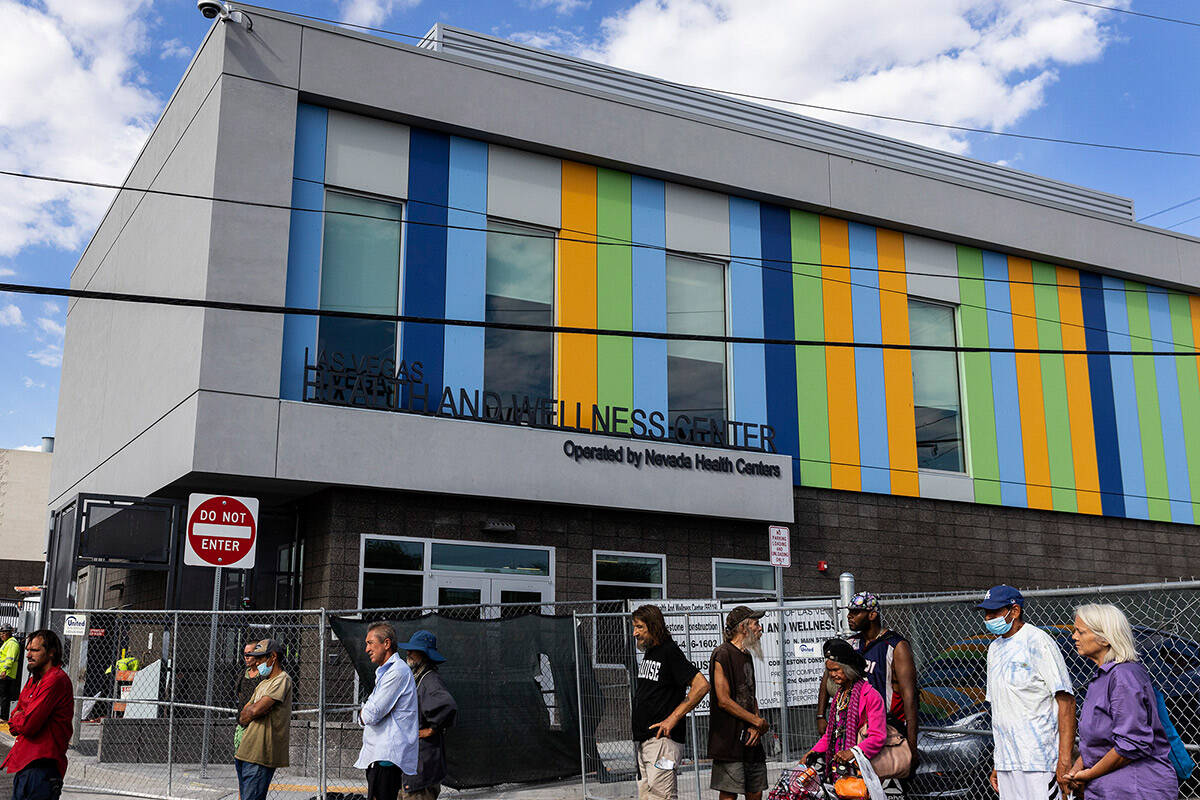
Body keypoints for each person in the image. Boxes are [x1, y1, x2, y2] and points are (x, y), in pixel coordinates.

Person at [1064, 604, 1178, 799]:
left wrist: (1088, 774)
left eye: (1080, 632)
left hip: (1135, 789)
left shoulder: (1124, 676)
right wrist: (1078, 768)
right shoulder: (1103, 676)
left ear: (1105, 638)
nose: (1074, 637)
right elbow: (1101, 740)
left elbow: (1131, 742)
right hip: (1110, 788)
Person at [979, 585, 1075, 800]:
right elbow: (1001, 709)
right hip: (1008, 763)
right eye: (986, 613)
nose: (987, 618)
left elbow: (1066, 702)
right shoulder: (994, 649)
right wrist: (999, 761)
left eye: (994, 613)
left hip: (1039, 761)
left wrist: (1064, 760)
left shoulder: (1039, 642)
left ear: (1015, 611)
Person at [816, 593, 919, 764]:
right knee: (852, 784)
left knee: (886, 784)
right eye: (849, 612)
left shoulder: (895, 645)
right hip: (853, 726)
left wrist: (912, 743)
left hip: (886, 727)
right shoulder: (851, 644)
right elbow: (827, 677)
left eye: (856, 612)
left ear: (872, 615)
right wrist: (821, 715)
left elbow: (910, 696)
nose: (849, 616)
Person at [630, 605, 710, 800]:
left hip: (663, 743)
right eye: (634, 627)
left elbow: (701, 685)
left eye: (639, 627)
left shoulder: (669, 651)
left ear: (653, 625)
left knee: (662, 797)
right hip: (646, 742)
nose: (635, 633)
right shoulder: (651, 651)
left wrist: (672, 718)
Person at [1, 629, 73, 800]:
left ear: (51, 652)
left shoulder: (55, 680)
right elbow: (15, 720)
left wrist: (20, 717)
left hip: (42, 769)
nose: (28, 655)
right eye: (28, 650)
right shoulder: (34, 679)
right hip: (26, 767)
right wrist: (20, 716)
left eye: (35, 650)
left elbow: (28, 725)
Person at [804, 639, 887, 786]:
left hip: (863, 768)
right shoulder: (839, 696)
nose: (832, 675)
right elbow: (831, 734)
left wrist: (852, 752)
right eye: (829, 671)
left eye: (836, 670)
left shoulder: (871, 695)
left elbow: (878, 737)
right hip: (839, 767)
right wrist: (811, 754)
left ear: (848, 668)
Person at [708, 606, 770, 800]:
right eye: (756, 624)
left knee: (756, 789)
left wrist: (756, 725)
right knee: (729, 792)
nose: (760, 628)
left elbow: (750, 696)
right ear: (744, 628)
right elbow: (724, 701)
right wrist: (756, 721)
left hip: (750, 736)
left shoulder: (746, 655)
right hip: (729, 739)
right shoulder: (723, 654)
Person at [356, 622, 419, 800]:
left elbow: (371, 713)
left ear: (386, 643)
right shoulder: (385, 672)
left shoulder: (397, 672)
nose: (367, 649)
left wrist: (363, 714)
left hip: (386, 758)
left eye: (370, 643)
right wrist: (365, 712)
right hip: (380, 756)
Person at [397, 630, 458, 800]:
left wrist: (431, 730)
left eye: (413, 650)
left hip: (421, 771)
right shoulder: (419, 677)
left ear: (424, 654)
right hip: (414, 767)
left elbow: (447, 705)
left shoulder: (430, 680)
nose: (408, 653)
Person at [234, 639, 292, 800]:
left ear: (273, 657)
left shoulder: (282, 680)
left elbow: (255, 710)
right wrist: (250, 713)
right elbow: (245, 713)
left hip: (260, 755)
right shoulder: (263, 684)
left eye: (260, 658)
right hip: (245, 751)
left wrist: (252, 712)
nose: (257, 662)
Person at [233, 638, 265, 753]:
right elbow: (239, 694)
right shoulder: (243, 674)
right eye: (245, 654)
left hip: (257, 723)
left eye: (249, 654)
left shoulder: (263, 675)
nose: (246, 657)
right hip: (242, 720)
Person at [0, 624, 20, 721]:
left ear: (9, 633)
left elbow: (10, 659)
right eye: (1, 633)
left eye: (4, 633)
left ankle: (3, 717)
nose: (2, 635)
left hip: (7, 674)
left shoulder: (12, 643)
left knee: (4, 696)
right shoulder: (7, 642)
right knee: (3, 695)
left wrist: (5, 671)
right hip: (4, 673)